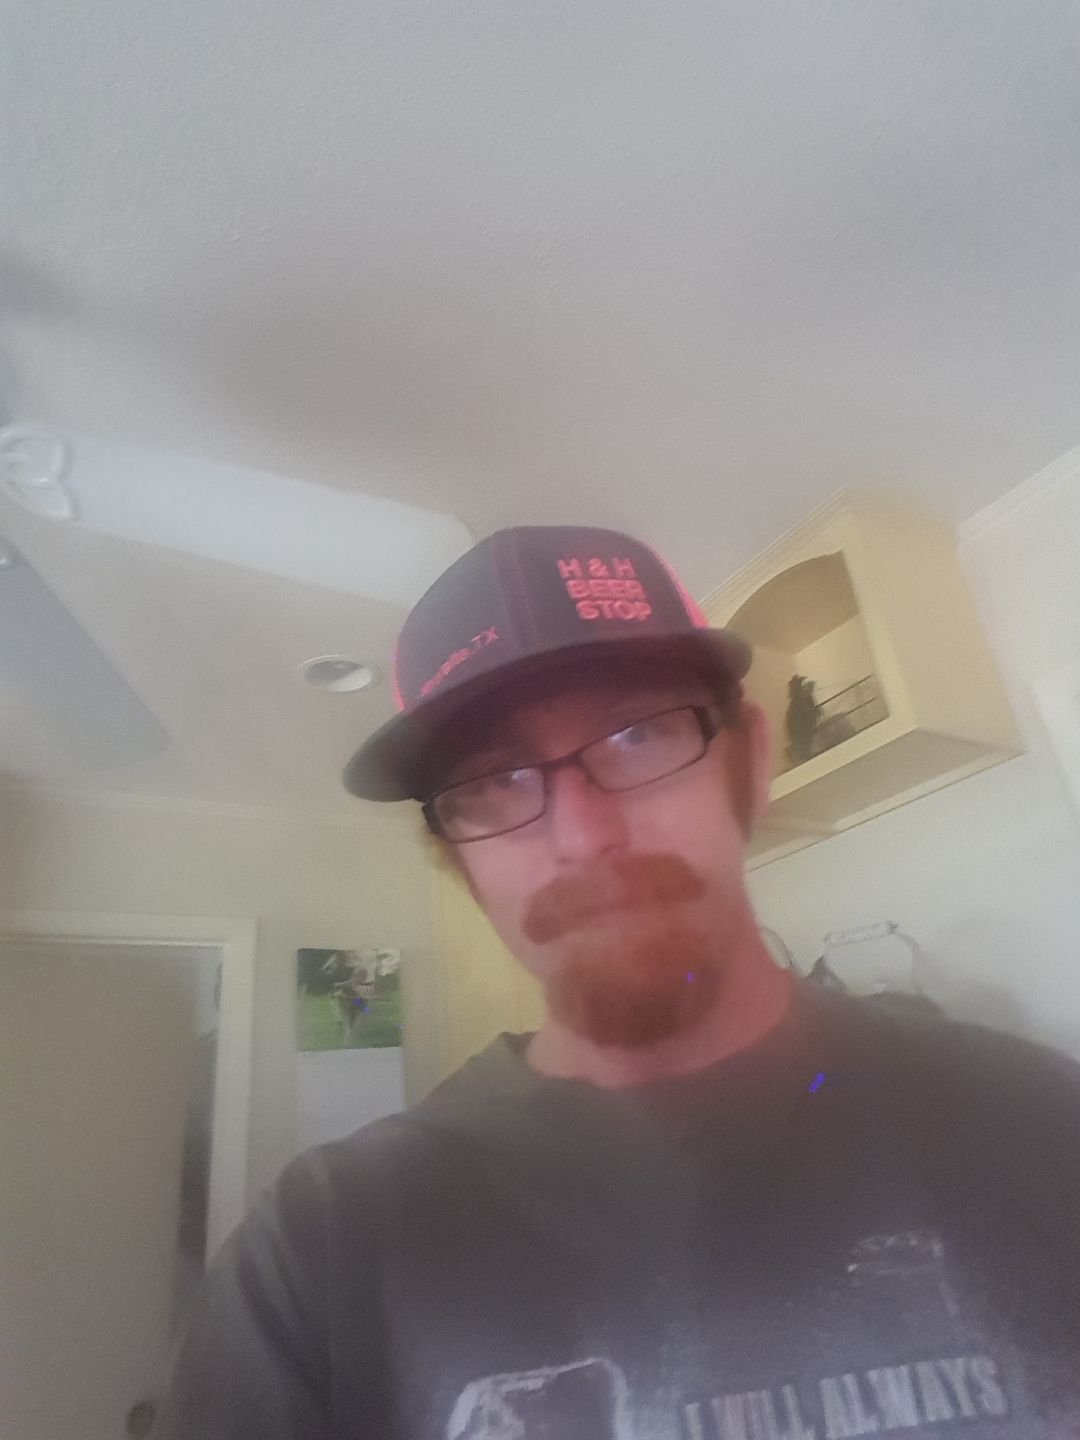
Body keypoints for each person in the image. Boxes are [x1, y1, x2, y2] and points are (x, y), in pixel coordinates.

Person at [154, 525, 1080, 1439]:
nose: (584, 835)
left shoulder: (1044, 1125)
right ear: (457, 860)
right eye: (493, 781)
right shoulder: (320, 1258)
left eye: (638, 735)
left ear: (751, 763)